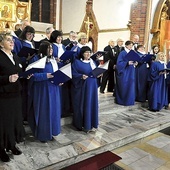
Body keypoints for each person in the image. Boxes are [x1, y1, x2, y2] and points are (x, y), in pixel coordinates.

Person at [27, 41, 62, 142]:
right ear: (43, 49)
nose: (51, 50)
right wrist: (46, 75)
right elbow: (32, 76)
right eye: (49, 48)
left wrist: (60, 80)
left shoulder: (53, 60)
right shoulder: (36, 59)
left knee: (53, 111)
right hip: (42, 89)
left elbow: (56, 73)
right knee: (43, 111)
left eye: (51, 48)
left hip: (54, 88)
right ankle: (43, 135)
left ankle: (52, 132)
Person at [0, 32, 25, 162]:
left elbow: (19, 71)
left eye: (12, 40)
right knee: (3, 123)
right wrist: (7, 79)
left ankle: (11, 144)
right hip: (3, 95)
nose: (12, 42)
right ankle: (1, 148)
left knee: (14, 120)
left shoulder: (15, 56)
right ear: (1, 44)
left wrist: (26, 75)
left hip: (15, 93)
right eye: (8, 40)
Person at [71, 46, 100, 133]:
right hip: (83, 87)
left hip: (93, 86)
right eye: (86, 52)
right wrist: (80, 76)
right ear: (82, 54)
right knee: (84, 104)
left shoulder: (92, 62)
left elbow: (95, 71)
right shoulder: (77, 62)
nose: (88, 54)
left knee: (92, 104)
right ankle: (83, 124)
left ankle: (91, 123)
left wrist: (98, 75)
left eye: (89, 52)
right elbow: (73, 73)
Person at [115, 40, 138, 106]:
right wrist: (127, 63)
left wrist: (135, 63)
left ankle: (130, 101)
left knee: (131, 86)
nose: (131, 46)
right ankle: (122, 100)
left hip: (131, 71)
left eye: (132, 45)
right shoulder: (122, 53)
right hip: (125, 72)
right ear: (126, 45)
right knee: (124, 86)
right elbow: (119, 63)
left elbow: (135, 60)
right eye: (129, 45)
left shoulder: (132, 52)